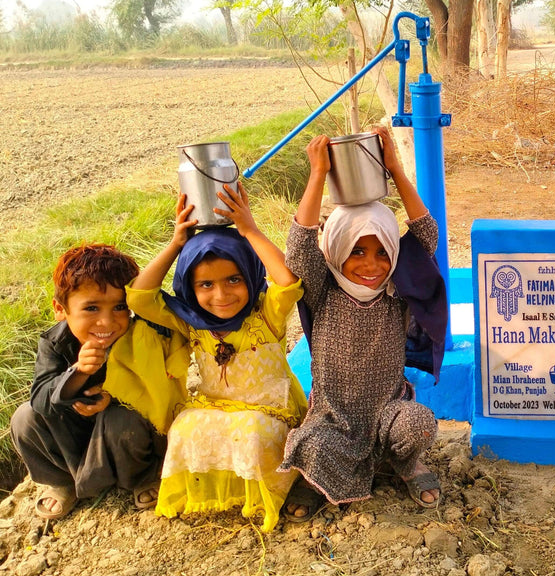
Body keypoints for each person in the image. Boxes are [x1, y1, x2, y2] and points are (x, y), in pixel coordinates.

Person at [279, 125, 446, 519]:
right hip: (333, 418)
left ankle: (405, 464)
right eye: (356, 252)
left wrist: (393, 169)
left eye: (381, 252)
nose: (371, 266)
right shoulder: (323, 291)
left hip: (389, 412)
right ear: (336, 251)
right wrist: (317, 174)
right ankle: (320, 476)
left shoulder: (396, 291)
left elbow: (426, 236)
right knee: (312, 445)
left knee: (419, 424)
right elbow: (300, 249)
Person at [127, 185, 308, 532]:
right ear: (188, 288)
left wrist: (250, 231)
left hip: (269, 409)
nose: (221, 295)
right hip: (217, 406)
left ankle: (274, 488)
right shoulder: (188, 320)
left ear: (251, 277)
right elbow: (139, 297)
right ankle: (222, 492)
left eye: (234, 279)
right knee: (183, 428)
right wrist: (176, 243)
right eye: (205, 285)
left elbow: (286, 282)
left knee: (252, 431)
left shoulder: (264, 314)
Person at [11, 244, 188, 520]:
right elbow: (42, 397)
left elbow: (157, 389)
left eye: (120, 307)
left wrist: (111, 396)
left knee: (126, 419)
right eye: (91, 308)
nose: (107, 322)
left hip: (124, 431)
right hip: (78, 433)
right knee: (25, 417)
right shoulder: (56, 343)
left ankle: (143, 476)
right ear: (61, 309)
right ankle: (61, 481)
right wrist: (78, 372)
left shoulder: (140, 335)